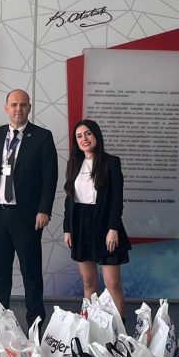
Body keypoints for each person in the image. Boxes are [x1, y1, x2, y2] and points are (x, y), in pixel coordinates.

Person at [0, 89, 57, 327]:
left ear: (29, 108)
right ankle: (0, 325)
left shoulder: (42, 137)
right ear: (6, 108)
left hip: (27, 217)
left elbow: (50, 176)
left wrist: (44, 209)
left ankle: (35, 327)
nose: (18, 109)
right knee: (0, 273)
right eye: (14, 104)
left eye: (23, 105)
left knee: (31, 274)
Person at [63, 120, 131, 316]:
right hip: (80, 225)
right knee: (88, 282)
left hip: (105, 225)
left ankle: (119, 329)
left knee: (113, 283)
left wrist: (113, 228)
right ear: (76, 142)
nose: (84, 139)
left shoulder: (111, 162)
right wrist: (67, 228)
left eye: (88, 133)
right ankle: (88, 325)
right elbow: (69, 199)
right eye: (79, 136)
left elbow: (116, 200)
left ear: (96, 136)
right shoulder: (74, 164)